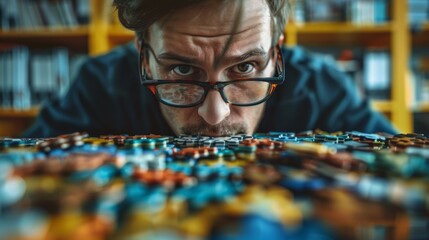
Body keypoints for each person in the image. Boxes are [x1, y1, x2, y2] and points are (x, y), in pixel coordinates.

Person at [22, 0, 396, 138]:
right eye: (182, 71)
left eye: (246, 66)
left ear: (277, 50)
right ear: (142, 53)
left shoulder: (322, 88)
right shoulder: (97, 86)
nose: (215, 117)